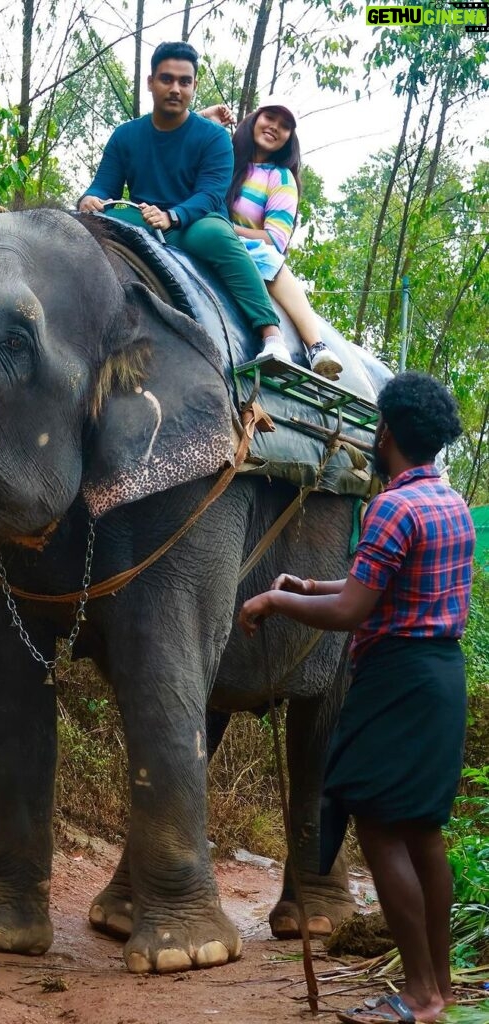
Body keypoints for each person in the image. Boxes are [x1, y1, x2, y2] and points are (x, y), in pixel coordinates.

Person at [238, 372, 475, 1024]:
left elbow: (354, 609)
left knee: (376, 825)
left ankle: (418, 994)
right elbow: (376, 583)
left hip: (395, 680)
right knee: (423, 832)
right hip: (439, 680)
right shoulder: (448, 504)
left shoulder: (393, 508)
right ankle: (440, 991)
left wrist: (273, 598)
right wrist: (306, 580)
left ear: (388, 433)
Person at [78, 41, 288, 363]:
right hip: (141, 220)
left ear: (194, 85)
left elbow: (211, 192)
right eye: (166, 79)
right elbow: (104, 185)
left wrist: (173, 216)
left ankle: (270, 334)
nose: (175, 88)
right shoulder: (126, 135)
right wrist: (90, 199)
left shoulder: (214, 137)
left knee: (215, 235)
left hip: (195, 223)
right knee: (87, 226)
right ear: (151, 83)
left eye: (184, 81)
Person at [201, 98, 342, 379]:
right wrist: (208, 115)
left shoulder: (280, 178)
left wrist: (225, 230)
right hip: (202, 236)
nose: (275, 127)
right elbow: (184, 143)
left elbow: (274, 237)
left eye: (285, 126)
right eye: (270, 118)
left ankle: (315, 345)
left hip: (247, 248)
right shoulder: (225, 157)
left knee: (269, 258)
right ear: (255, 118)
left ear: (290, 138)